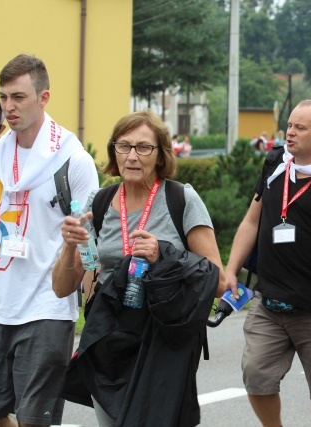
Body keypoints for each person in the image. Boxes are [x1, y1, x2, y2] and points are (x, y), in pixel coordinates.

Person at [52, 111, 227, 426]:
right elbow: (63, 287)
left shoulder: (180, 199)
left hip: (163, 341)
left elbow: (217, 280)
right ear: (114, 151)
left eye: (144, 147)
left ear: (160, 155)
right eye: (124, 146)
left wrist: (164, 255)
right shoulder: (100, 202)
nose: (132, 156)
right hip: (110, 340)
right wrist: (69, 246)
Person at [0, 54, 98, 427]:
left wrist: (92, 300)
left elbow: (90, 242)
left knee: (36, 420)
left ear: (44, 97)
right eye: (3, 97)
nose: (8, 107)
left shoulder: (72, 159)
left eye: (18, 97)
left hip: (47, 309)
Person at [224, 100, 311, 427]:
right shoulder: (274, 163)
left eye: (300, 128)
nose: (290, 133)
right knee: (256, 376)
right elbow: (251, 221)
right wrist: (230, 269)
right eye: (289, 125)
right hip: (268, 301)